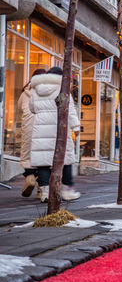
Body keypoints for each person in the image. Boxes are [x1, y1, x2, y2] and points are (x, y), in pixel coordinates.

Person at [27, 67, 81, 202]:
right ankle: (67, 190)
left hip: (41, 129)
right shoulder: (62, 89)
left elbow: (32, 108)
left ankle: (44, 192)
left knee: (43, 161)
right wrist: (76, 126)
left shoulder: (35, 90)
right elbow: (70, 110)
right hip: (59, 127)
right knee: (66, 160)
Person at [18, 68, 47, 198]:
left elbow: (20, 107)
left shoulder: (25, 92)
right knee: (43, 159)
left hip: (28, 129)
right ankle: (41, 189)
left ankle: (30, 178)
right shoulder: (48, 92)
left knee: (28, 155)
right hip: (43, 128)